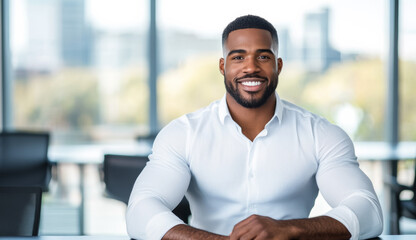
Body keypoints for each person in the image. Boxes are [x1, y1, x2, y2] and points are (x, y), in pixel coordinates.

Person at [126, 15, 383, 240]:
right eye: (238, 57)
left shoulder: (321, 134)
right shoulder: (183, 133)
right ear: (222, 66)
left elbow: (368, 210)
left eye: (263, 56)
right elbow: (141, 209)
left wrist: (290, 230)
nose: (251, 67)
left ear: (278, 66)